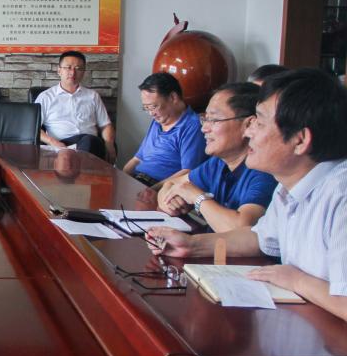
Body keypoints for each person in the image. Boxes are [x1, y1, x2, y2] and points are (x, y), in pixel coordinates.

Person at [149, 68, 347, 321]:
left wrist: (298, 280)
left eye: (260, 123)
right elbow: (259, 237)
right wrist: (191, 245)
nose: (249, 131)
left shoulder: (340, 196)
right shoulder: (288, 186)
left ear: (300, 140)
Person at [156, 82, 277, 232]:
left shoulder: (264, 171)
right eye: (205, 119)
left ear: (248, 125)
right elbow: (171, 185)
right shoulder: (218, 163)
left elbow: (240, 230)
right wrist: (171, 202)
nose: (204, 128)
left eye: (214, 120)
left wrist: (197, 198)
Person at [122, 72, 207, 186]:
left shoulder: (192, 126)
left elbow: (187, 172)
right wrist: (122, 177)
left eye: (154, 107)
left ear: (173, 97)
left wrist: (152, 190)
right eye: (146, 108)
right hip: (137, 181)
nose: (151, 113)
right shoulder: (158, 121)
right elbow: (137, 159)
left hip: (158, 186)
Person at [35, 50, 116, 162]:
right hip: (62, 144)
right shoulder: (46, 97)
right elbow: (33, 127)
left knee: (90, 141)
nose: (73, 73)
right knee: (88, 141)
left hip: (91, 144)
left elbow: (105, 125)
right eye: (68, 67)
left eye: (78, 69)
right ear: (59, 70)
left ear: (83, 72)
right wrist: (53, 142)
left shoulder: (92, 96)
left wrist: (109, 144)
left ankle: (79, 169)